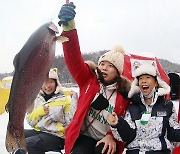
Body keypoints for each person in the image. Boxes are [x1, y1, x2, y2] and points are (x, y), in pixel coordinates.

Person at [58, 2, 131, 154]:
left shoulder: (124, 94)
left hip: (105, 140)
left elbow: (127, 122)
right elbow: (74, 59)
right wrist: (69, 28)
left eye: (110, 66)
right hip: (84, 136)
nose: (104, 67)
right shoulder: (89, 81)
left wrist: (111, 136)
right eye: (102, 63)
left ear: (118, 72)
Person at [107, 64, 180, 154]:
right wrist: (117, 124)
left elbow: (173, 132)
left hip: (160, 151)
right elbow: (128, 135)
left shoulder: (167, 106)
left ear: (156, 82)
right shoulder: (132, 106)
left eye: (148, 77)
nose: (143, 81)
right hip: (135, 151)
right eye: (140, 78)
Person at [23, 68, 71, 154]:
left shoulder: (65, 100)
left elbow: (71, 124)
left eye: (51, 82)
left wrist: (53, 118)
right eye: (44, 82)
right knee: (17, 136)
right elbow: (30, 121)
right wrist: (39, 112)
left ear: (56, 83)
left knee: (29, 143)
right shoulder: (36, 99)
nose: (47, 86)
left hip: (57, 136)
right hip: (40, 131)